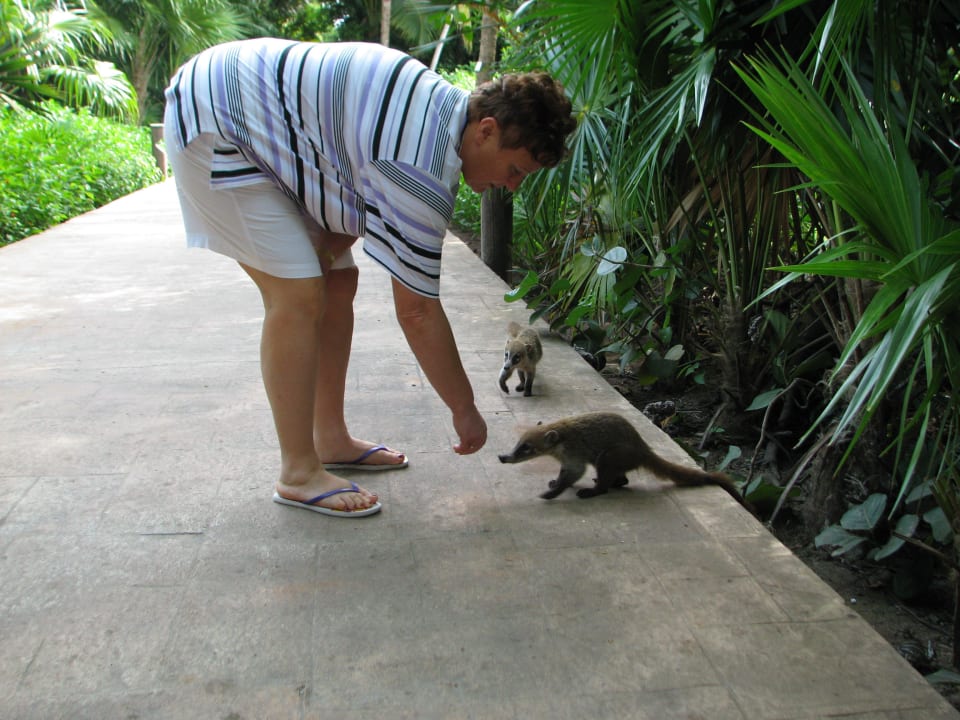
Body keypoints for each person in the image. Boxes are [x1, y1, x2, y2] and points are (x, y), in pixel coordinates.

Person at [163, 38, 576, 517]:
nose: (512, 186)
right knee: (296, 294)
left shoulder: (437, 110)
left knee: (337, 281)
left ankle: (330, 438)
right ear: (486, 130)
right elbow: (417, 311)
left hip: (245, 110)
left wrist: (325, 247)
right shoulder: (421, 162)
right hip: (216, 122)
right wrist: (466, 410)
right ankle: (298, 471)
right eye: (515, 170)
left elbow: (351, 192)